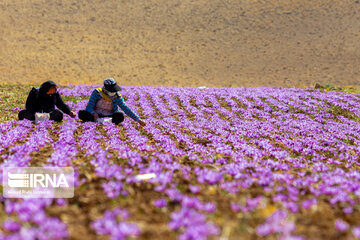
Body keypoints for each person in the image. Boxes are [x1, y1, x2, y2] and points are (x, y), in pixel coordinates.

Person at [78, 78, 146, 126]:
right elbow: (89, 106)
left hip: (109, 115)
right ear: (105, 89)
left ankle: (104, 121)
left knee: (120, 116)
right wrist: (94, 113)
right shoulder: (97, 93)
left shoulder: (117, 97)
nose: (113, 92)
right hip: (96, 115)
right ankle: (100, 121)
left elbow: (125, 108)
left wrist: (138, 120)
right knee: (82, 113)